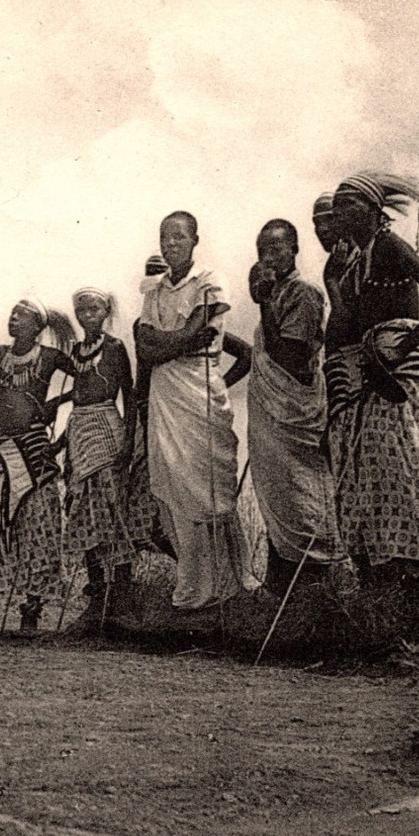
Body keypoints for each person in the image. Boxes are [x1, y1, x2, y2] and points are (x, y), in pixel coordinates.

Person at [326, 172, 419, 587]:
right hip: (376, 379)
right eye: (337, 207)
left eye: (348, 203)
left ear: (373, 209)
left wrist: (404, 346)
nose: (340, 213)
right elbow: (342, 329)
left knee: (411, 476)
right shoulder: (356, 263)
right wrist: (333, 282)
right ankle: (396, 588)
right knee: (387, 485)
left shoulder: (389, 246)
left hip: (403, 381)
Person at [137, 210, 259, 610]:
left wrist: (167, 342)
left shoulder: (210, 281)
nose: (170, 244)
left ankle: (230, 581)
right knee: (172, 485)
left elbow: (189, 336)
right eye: (164, 237)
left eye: (178, 237)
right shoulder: (153, 290)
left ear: (194, 239)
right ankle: (192, 585)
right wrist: (182, 340)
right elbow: (147, 347)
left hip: (199, 388)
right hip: (165, 393)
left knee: (208, 486)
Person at [246, 219, 347, 593]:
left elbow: (287, 355)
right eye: (261, 251)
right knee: (278, 494)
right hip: (273, 414)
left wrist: (265, 302)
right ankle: (281, 586)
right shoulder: (275, 293)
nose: (267, 258)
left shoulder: (302, 293)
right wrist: (265, 299)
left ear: (294, 249)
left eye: (275, 249)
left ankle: (316, 582)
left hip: (294, 413)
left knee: (299, 492)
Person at [0, 297, 74, 634]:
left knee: (39, 527)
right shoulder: (0, 354)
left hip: (35, 449)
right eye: (12, 313)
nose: (12, 319)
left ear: (38, 327)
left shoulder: (52, 357)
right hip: (3, 450)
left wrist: (58, 403)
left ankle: (32, 610)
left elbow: (91, 384)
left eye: (21, 316)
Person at [61, 287, 162, 618]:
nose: (88, 315)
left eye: (94, 309)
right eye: (82, 310)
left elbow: (129, 396)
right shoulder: (75, 351)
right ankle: (96, 595)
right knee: (84, 508)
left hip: (108, 426)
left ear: (105, 313)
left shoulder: (115, 348)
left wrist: (128, 442)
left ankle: (120, 593)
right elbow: (75, 397)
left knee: (112, 506)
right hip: (80, 429)